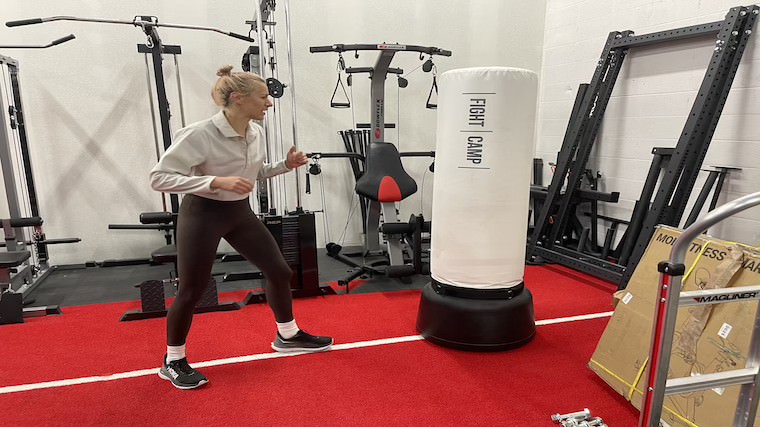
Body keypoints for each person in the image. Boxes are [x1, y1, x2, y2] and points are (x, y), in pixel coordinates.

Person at [150, 65, 332, 390]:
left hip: (238, 212)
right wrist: (213, 180)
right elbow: (159, 177)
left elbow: (253, 173)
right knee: (192, 289)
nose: (269, 103)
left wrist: (284, 166)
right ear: (238, 98)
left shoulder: (254, 131)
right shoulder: (199, 134)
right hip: (202, 213)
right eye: (263, 97)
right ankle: (173, 360)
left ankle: (287, 335)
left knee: (279, 270)